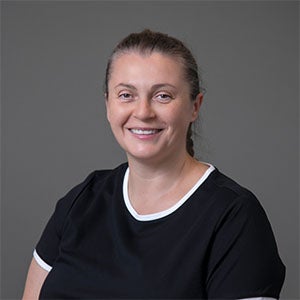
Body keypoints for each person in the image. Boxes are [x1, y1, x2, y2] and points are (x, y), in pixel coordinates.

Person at [22, 29, 285, 299]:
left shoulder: (233, 217)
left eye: (163, 96)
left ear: (195, 106)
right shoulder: (80, 201)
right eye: (126, 95)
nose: (143, 112)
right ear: (108, 104)